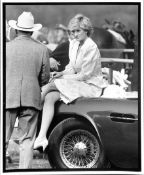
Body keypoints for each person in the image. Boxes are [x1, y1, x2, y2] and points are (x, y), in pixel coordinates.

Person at [34, 14, 108, 151]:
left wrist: (61, 79)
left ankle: (27, 113)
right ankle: (41, 137)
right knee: (50, 97)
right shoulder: (73, 44)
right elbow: (71, 67)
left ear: (86, 30)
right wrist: (61, 73)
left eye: (78, 30)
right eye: (72, 31)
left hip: (91, 85)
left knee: (49, 85)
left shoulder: (91, 47)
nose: (75, 34)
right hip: (77, 81)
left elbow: (84, 75)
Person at [6, 11, 50, 169]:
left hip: (7, 96)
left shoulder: (5, 48)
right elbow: (45, 78)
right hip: (31, 98)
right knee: (27, 141)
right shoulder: (42, 49)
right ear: (32, 31)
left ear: (16, 30)